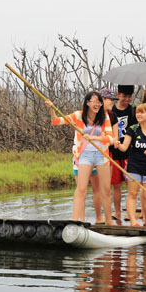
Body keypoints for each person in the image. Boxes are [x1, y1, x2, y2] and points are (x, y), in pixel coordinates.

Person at [45, 92, 114, 225]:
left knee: (105, 189)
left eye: (99, 102)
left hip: (101, 155)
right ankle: (75, 221)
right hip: (85, 156)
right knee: (81, 189)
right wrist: (52, 109)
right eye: (94, 101)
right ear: (87, 102)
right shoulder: (78, 115)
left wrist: (94, 138)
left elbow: (110, 138)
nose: (97, 104)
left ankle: (109, 222)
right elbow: (56, 121)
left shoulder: (104, 117)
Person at [114, 103, 146, 227]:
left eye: (142, 112)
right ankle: (133, 221)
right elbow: (124, 147)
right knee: (132, 194)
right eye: (137, 112)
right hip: (134, 166)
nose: (139, 115)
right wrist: (118, 145)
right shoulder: (133, 129)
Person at [109, 85, 137, 223]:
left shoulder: (133, 111)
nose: (127, 99)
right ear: (118, 94)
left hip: (129, 153)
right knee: (116, 184)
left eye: (129, 97)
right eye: (124, 96)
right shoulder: (111, 111)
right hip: (113, 153)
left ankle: (131, 212)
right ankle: (118, 212)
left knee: (132, 184)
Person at [91, 88, 120, 222]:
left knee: (106, 188)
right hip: (90, 153)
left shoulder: (112, 116)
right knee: (96, 188)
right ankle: (98, 218)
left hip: (105, 154)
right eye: (110, 100)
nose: (113, 103)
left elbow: (114, 136)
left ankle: (108, 219)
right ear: (102, 101)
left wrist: (114, 141)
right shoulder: (91, 115)